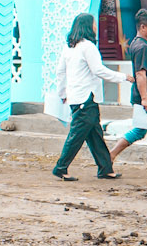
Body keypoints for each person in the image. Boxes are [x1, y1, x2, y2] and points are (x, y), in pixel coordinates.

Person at [51, 13, 120, 181]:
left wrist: (62, 93)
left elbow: (60, 71)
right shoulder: (88, 46)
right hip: (85, 98)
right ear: (89, 26)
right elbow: (98, 70)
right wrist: (122, 77)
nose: (96, 27)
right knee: (77, 135)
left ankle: (105, 168)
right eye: (94, 24)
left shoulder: (70, 47)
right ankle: (61, 167)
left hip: (78, 97)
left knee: (95, 134)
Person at [104, 9, 147, 176]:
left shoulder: (144, 45)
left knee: (139, 131)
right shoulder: (142, 46)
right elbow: (140, 74)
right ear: (143, 27)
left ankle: (110, 156)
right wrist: (145, 99)